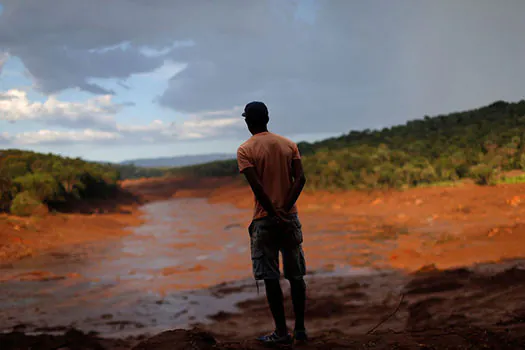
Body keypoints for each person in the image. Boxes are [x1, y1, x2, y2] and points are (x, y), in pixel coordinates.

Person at [236, 101, 308, 344]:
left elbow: (257, 186)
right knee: (296, 276)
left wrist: (273, 213)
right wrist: (285, 210)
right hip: (290, 218)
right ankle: (300, 330)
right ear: (268, 118)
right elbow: (301, 179)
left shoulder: (245, 150)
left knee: (270, 277)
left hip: (264, 220)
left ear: (248, 121)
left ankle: (281, 333)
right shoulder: (289, 145)